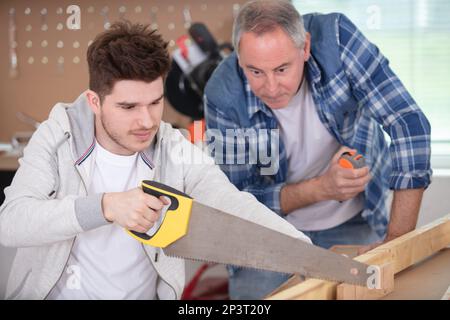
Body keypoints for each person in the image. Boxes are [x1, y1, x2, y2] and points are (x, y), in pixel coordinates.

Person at [0, 21, 311, 300]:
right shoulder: (57, 136)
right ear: (94, 102)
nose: (146, 121)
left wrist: (294, 243)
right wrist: (105, 206)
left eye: (155, 102)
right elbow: (11, 223)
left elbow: (227, 200)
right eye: (128, 107)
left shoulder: (171, 145)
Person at [204, 0, 432, 299]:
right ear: (239, 58)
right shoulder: (223, 93)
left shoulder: (337, 41)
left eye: (282, 68)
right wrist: (322, 188)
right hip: (265, 233)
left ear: (306, 47)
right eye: (255, 71)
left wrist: (398, 241)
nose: (271, 87)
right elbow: (237, 199)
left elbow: (408, 124)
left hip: (352, 222)